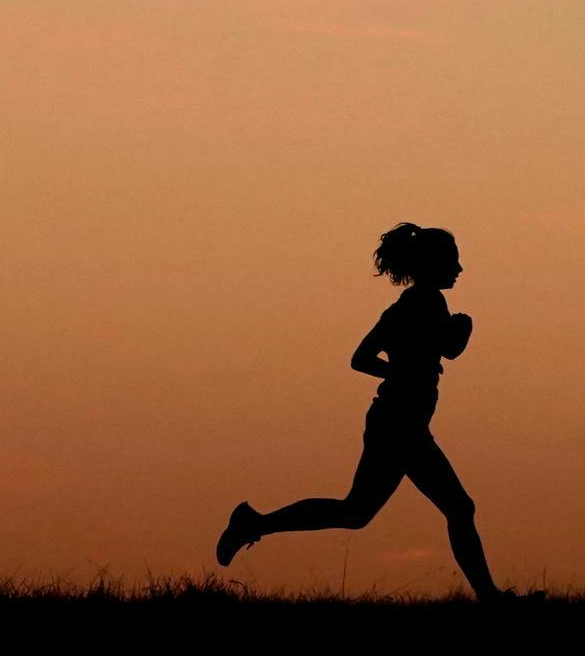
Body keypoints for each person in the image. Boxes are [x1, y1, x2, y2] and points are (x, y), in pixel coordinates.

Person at [216, 223, 514, 600]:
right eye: (452, 261)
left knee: (356, 512)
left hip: (394, 421)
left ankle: (254, 523)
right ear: (431, 264)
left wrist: (399, 370)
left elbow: (361, 359)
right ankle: (489, 597)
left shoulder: (404, 306)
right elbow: (450, 348)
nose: (459, 269)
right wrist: (464, 326)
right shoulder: (427, 303)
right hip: (401, 426)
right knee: (457, 506)